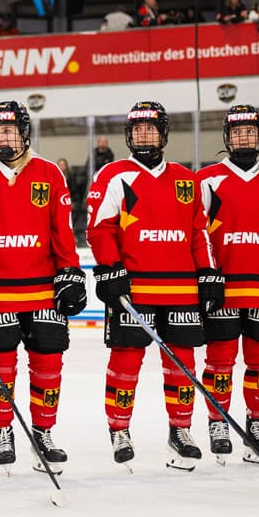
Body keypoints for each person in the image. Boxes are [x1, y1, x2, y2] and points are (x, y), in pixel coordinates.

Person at [86, 101, 211, 468]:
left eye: (150, 129)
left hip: (182, 290)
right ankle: (120, 428)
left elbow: (198, 233)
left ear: (163, 134)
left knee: (183, 364)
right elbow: (100, 229)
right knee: (125, 363)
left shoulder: (187, 179)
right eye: (137, 129)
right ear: (128, 135)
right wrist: (110, 268)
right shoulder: (113, 175)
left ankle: (181, 429)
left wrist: (206, 273)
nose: (143, 135)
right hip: (134, 290)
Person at [0, 101, 81, 468]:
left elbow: (62, 231)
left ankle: (43, 432)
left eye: (8, 130)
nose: (2, 137)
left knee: (48, 365)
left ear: (25, 132)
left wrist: (71, 272)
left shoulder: (49, 173)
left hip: (44, 291)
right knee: (0, 367)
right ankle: (3, 429)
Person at [194, 105, 259, 462]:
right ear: (227, 138)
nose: (244, 138)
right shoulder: (207, 179)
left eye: (250, 132)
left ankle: (257, 423)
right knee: (220, 359)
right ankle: (218, 422)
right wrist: (207, 274)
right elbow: (198, 232)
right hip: (225, 288)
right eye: (237, 133)